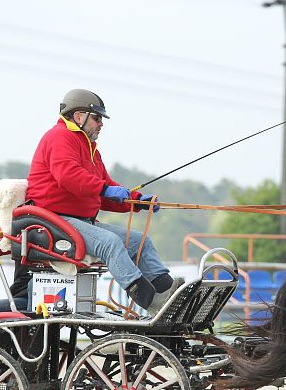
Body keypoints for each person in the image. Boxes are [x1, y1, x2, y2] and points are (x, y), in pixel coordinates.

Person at [24, 89, 181, 315]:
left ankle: (171, 297)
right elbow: (70, 177)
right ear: (79, 116)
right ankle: (152, 302)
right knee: (110, 243)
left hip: (79, 222)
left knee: (140, 241)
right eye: (97, 118)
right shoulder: (59, 136)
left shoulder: (89, 147)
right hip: (52, 220)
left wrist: (136, 201)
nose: (101, 124)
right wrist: (107, 189)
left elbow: (103, 188)